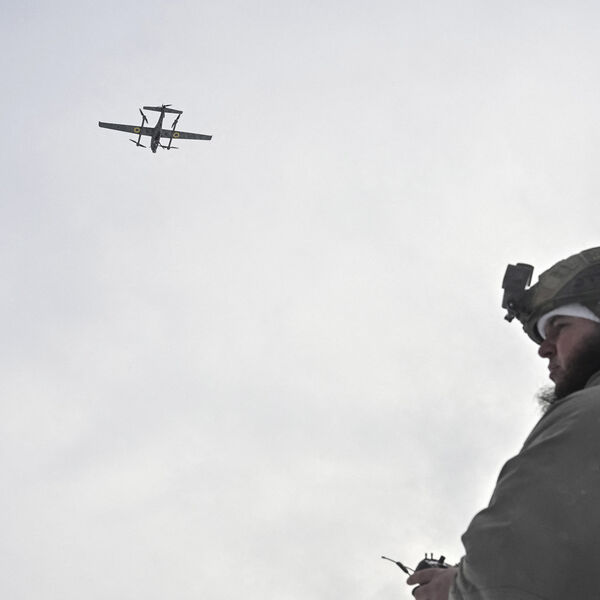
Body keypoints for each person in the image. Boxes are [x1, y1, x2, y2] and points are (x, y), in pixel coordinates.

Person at [406, 247, 600, 600]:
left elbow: (510, 579)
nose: (544, 349)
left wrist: (457, 590)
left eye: (560, 327)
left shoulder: (588, 413)